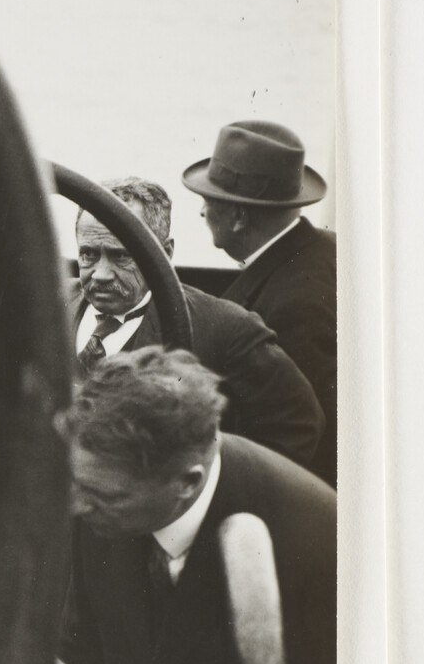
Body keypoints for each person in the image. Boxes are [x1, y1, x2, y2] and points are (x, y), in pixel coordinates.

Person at [60, 346, 335, 664]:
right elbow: (87, 640)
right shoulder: (104, 489)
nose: (76, 507)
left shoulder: (320, 546)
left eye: (103, 496)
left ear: (187, 483)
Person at [74, 176, 323, 468]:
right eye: (89, 254)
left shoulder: (225, 328)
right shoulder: (47, 303)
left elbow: (297, 425)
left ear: (163, 253)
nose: (101, 274)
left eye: (121, 256)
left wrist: (208, 495)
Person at [183, 120, 338, 483]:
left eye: (208, 202)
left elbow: (304, 438)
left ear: (238, 218)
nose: (202, 213)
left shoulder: (292, 308)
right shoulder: (328, 251)